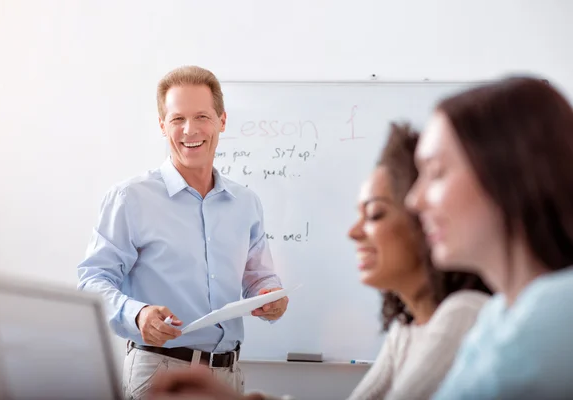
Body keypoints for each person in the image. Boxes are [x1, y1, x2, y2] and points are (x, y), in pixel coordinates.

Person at [146, 123, 492, 400]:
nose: (354, 232)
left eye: (374, 214)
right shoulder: (408, 330)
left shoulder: (462, 316)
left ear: (426, 222)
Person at [77, 65, 288, 400]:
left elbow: (257, 276)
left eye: (202, 116)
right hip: (159, 374)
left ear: (222, 121)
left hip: (228, 376)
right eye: (177, 119)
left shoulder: (246, 202)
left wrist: (271, 295)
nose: (190, 130)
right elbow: (92, 281)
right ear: (163, 126)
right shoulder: (130, 198)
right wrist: (138, 313)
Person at [406, 77, 573, 399]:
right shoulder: (497, 316)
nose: (414, 200)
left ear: (509, 172)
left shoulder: (556, 315)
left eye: (437, 172)